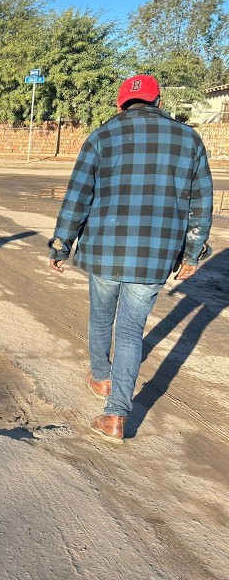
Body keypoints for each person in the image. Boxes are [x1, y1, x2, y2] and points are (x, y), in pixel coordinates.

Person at [48, 74, 213, 444]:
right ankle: (116, 415)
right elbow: (201, 204)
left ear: (120, 104)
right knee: (130, 331)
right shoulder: (189, 140)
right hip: (154, 255)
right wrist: (192, 253)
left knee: (102, 316)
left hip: (106, 248)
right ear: (158, 101)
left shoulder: (102, 136)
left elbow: (78, 197)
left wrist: (62, 245)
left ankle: (100, 377)